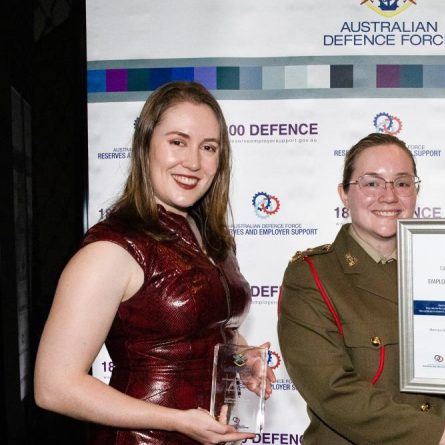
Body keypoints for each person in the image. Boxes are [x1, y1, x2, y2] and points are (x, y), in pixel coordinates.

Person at [34, 80, 276, 445]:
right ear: (145, 145)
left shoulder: (210, 236)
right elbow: (53, 386)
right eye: (177, 141)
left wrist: (242, 360)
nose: (193, 162)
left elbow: (204, 332)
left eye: (208, 148)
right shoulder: (112, 248)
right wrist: (177, 420)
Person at [277, 133, 445, 444]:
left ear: (416, 192)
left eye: (403, 183)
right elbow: (332, 392)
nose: (389, 196)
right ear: (344, 194)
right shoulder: (312, 275)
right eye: (371, 183)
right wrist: (438, 436)